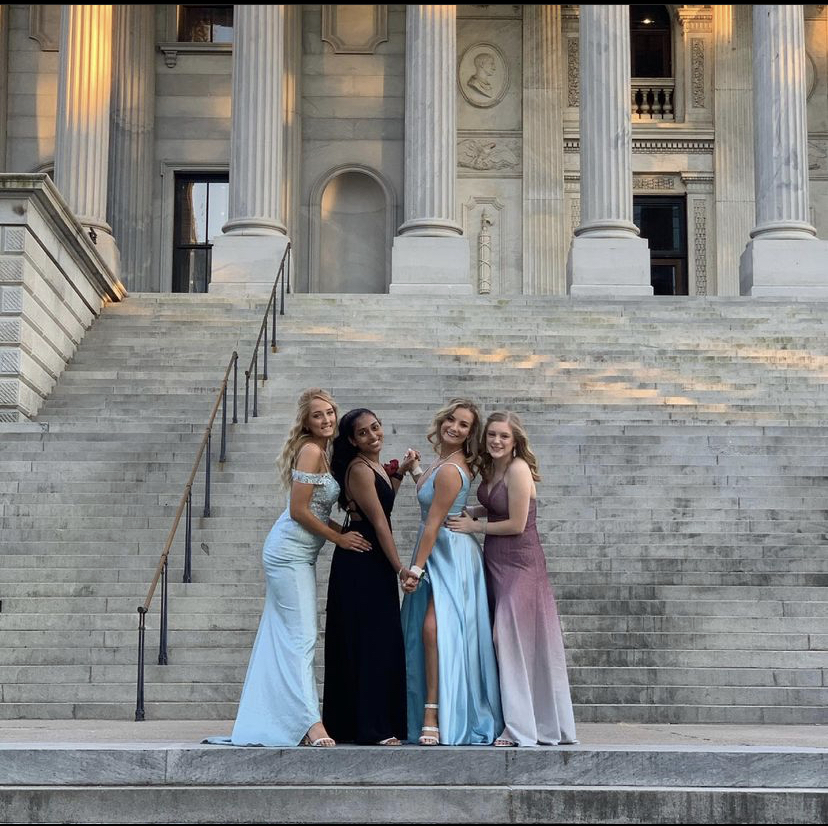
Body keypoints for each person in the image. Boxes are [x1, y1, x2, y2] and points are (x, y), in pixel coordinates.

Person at [205, 388, 371, 748]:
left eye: (329, 413)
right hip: (287, 553)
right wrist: (339, 539)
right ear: (306, 422)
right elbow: (299, 510)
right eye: (317, 415)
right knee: (301, 638)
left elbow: (319, 510)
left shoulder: (323, 453)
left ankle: (279, 719)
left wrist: (347, 532)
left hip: (301, 554)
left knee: (284, 638)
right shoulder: (311, 450)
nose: (326, 419)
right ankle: (312, 725)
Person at [447, 411, 577, 747]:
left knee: (507, 635)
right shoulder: (492, 468)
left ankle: (520, 728)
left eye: (504, 436)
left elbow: (517, 524)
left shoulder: (518, 469)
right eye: (491, 435)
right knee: (505, 639)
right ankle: (521, 719)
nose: (496, 441)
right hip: (495, 562)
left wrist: (475, 527)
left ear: (515, 440)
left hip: (521, 563)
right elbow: (494, 506)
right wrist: (471, 512)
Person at [400, 399, 503, 745]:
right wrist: (415, 469)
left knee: (434, 628)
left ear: (470, 434)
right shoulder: (440, 463)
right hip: (436, 550)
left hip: (449, 555)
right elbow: (429, 500)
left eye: (464, 426)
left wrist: (414, 568)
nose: (455, 428)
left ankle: (434, 714)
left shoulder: (449, 469)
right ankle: (428, 709)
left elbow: (433, 523)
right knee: (429, 630)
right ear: (442, 420)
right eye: (452, 420)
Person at [323, 409, 418, 745]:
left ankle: (374, 723)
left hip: (371, 558)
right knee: (370, 644)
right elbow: (379, 522)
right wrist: (400, 569)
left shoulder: (373, 465)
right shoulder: (359, 470)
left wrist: (400, 473)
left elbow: (384, 499)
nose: (372, 435)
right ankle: (371, 729)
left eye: (375, 428)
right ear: (352, 440)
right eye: (363, 433)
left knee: (379, 642)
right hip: (362, 559)